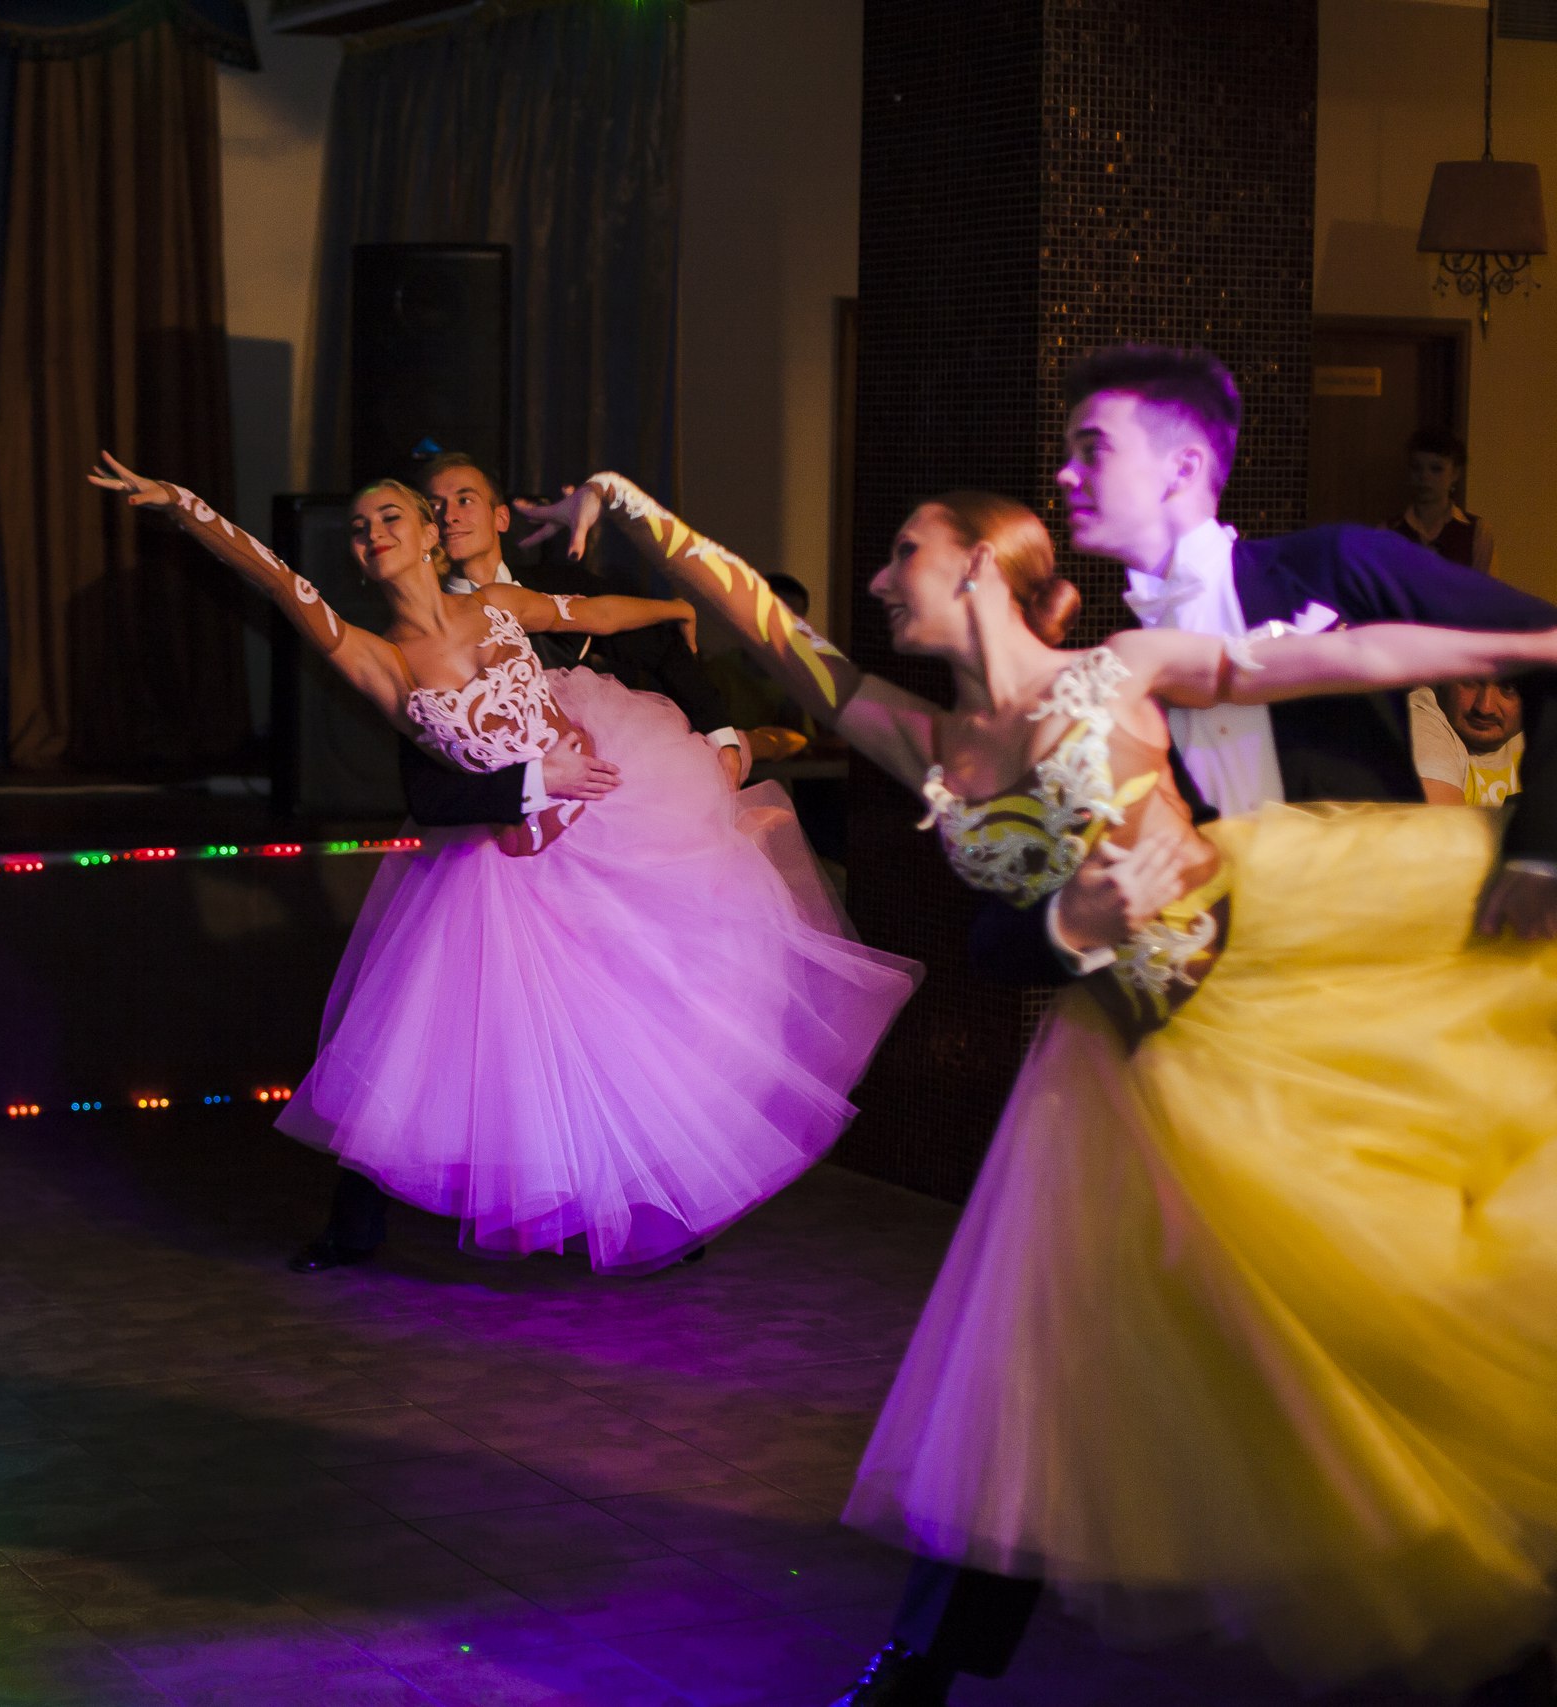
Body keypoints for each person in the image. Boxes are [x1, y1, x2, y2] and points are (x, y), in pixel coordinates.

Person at [525, 471, 1557, 1703]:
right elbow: (770, 630)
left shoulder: (1119, 674)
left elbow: (1346, 658)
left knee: (1360, 1309)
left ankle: (1495, 1625)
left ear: (976, 568)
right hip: (1120, 1066)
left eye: (901, 552)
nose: (875, 579)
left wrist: (1525, 647)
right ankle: (922, 1664)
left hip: (1258, 1017)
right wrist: (631, 510)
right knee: (1040, 1351)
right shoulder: (929, 743)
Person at [90, 451, 919, 1275]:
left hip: (615, 821)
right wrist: (184, 504)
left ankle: (656, 1208)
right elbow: (276, 579)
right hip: (506, 861)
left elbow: (594, 613)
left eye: (390, 517)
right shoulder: (380, 658)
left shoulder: (494, 605)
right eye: (360, 528)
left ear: (427, 535)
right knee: (471, 1048)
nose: (373, 533)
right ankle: (387, 1224)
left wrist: (671, 604)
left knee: (647, 1016)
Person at [286, 450, 751, 1274]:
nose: (450, 513)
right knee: (423, 1029)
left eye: (464, 499)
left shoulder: (539, 590)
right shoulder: (406, 642)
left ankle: (653, 1204)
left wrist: (719, 729)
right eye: (435, 503)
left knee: (626, 1014)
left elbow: (650, 639)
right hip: (493, 844)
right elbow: (429, 789)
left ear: (497, 516)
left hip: (606, 815)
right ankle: (360, 1222)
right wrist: (532, 782)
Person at [968, 347, 1557, 991]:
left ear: (1183, 467)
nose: (1064, 474)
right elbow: (998, 934)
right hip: (1230, 1006)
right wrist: (1070, 923)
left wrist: (1542, 850)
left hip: (1392, 969)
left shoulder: (1334, 565)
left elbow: (1546, 645)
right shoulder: (1104, 678)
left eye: (1093, 449)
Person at [1391, 425, 1499, 577]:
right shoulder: (1389, 532)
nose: (1424, 477)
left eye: (1436, 469)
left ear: (1455, 473)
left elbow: (1486, 588)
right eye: (1417, 468)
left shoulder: (1476, 532)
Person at [1416, 677, 1528, 807]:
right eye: (1471, 680)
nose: (1485, 708)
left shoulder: (1538, 723)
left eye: (1508, 687)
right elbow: (1444, 819)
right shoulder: (1421, 724)